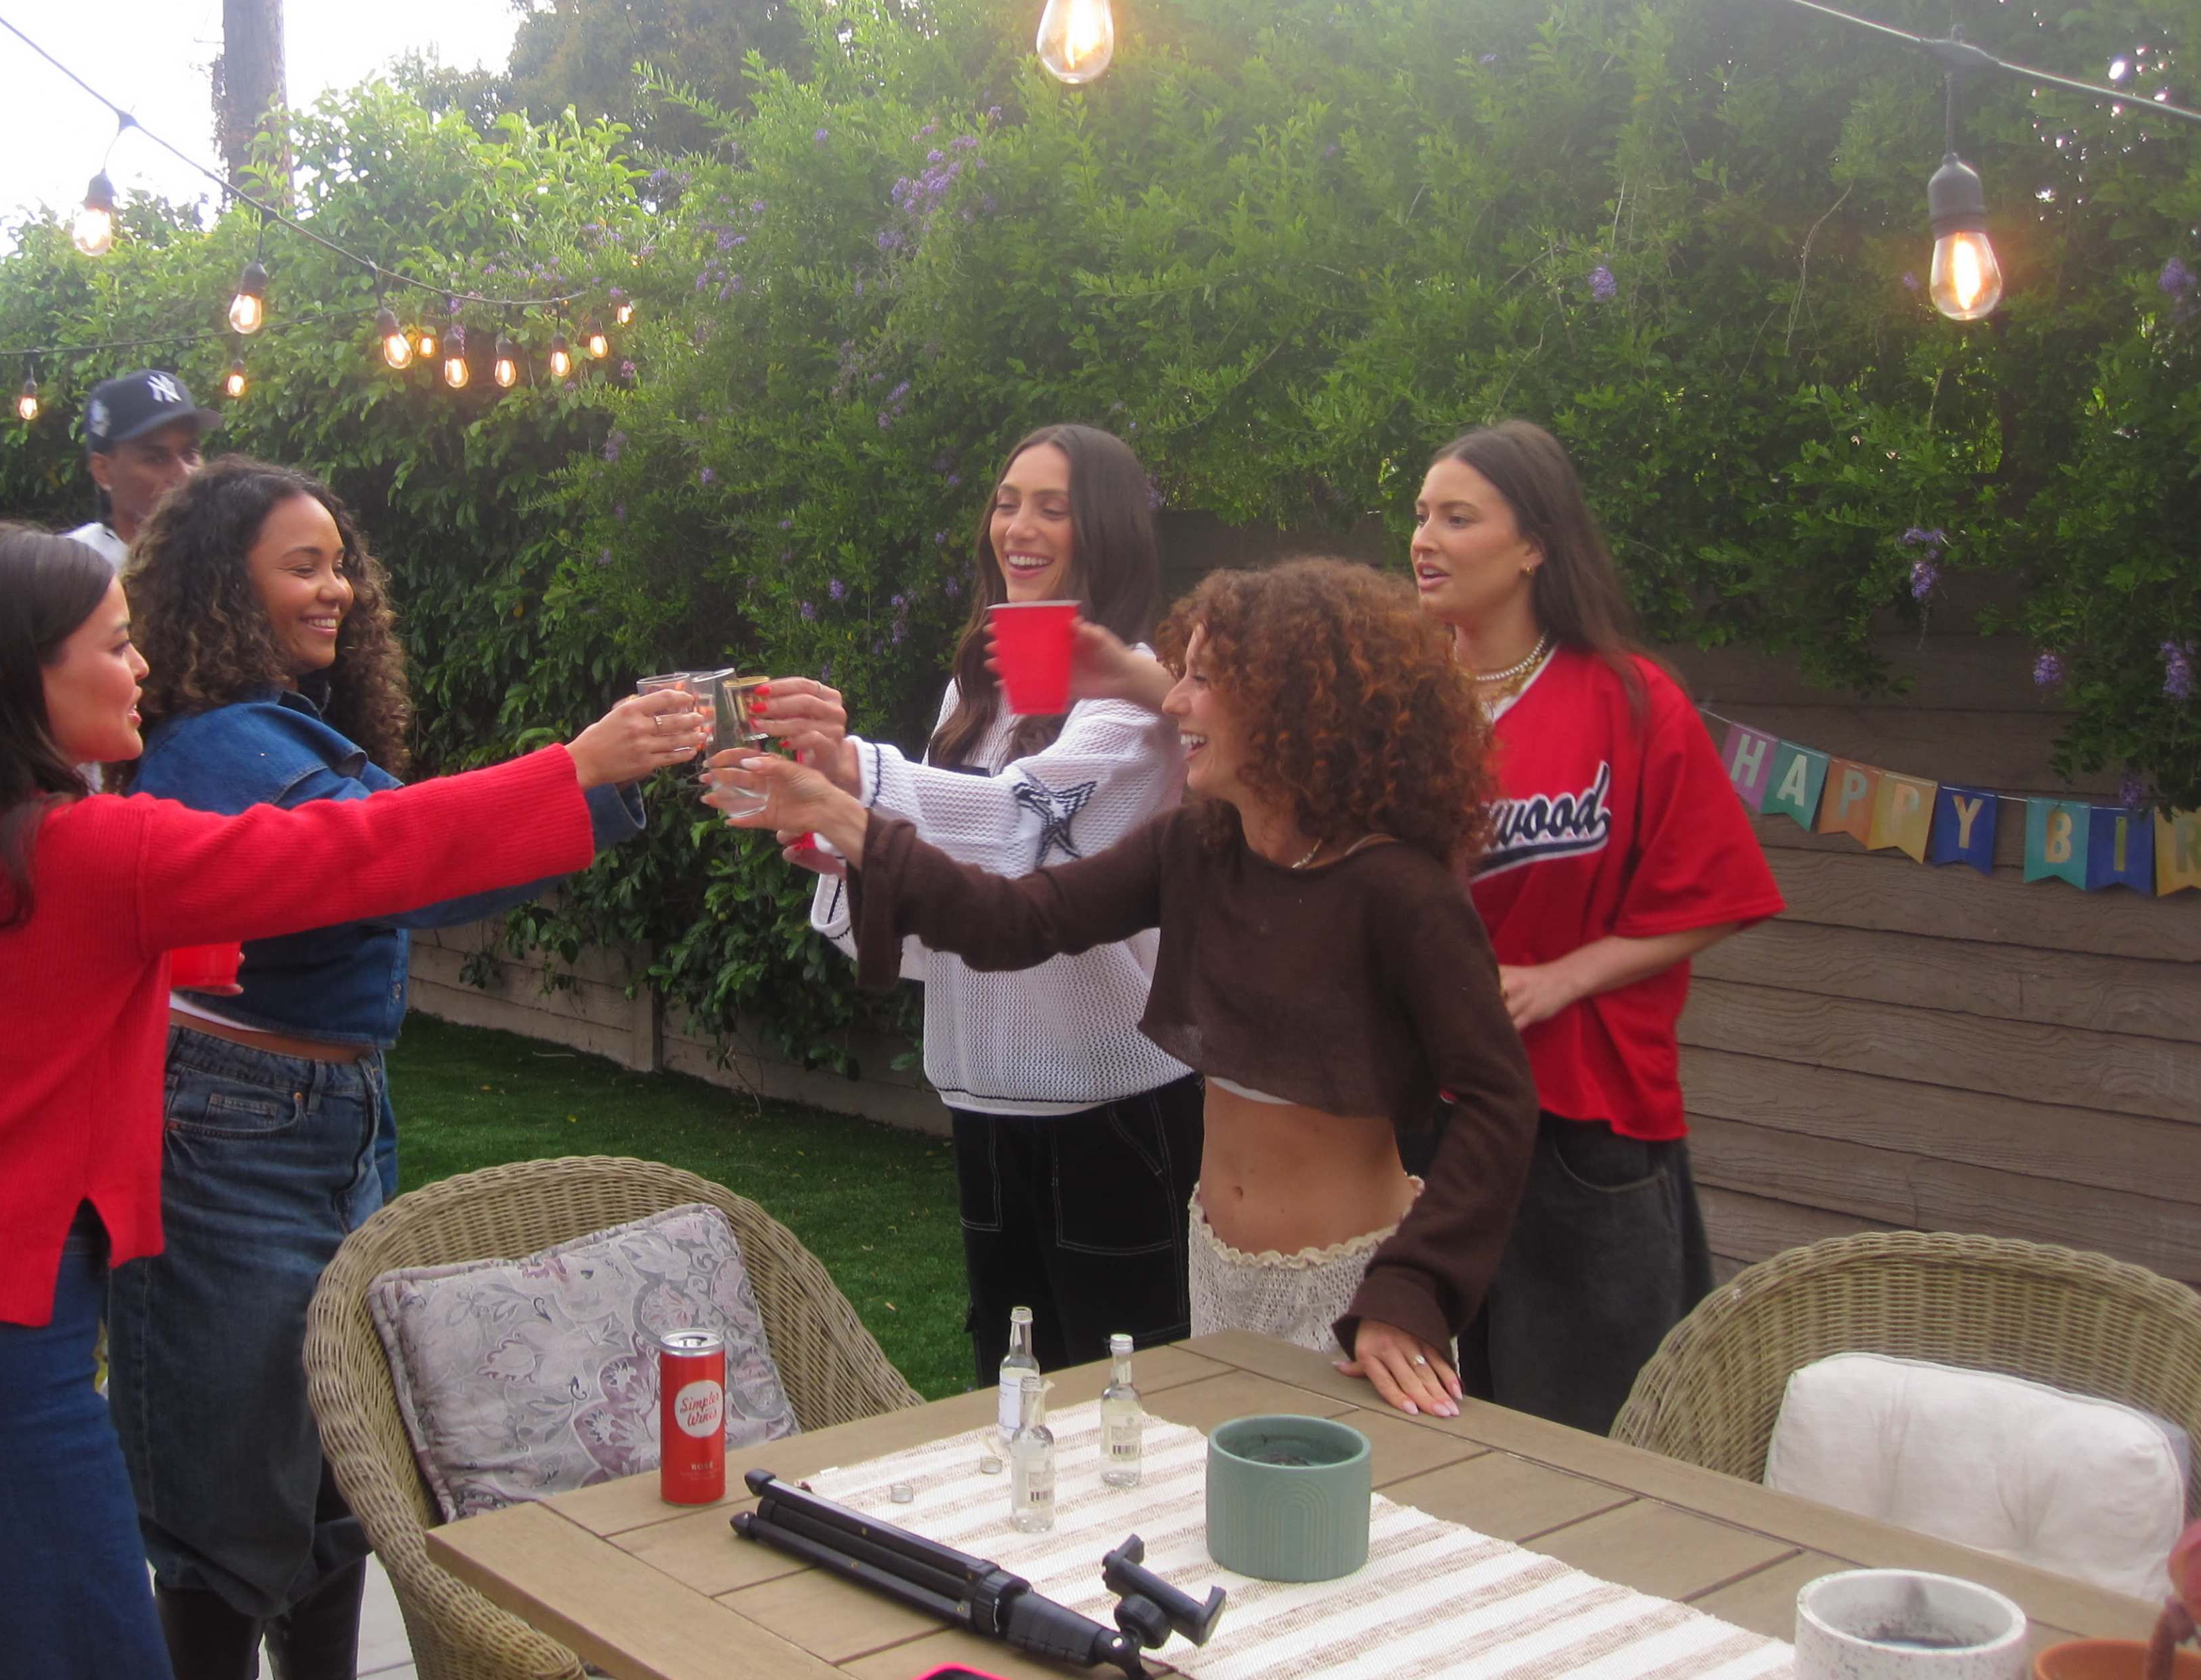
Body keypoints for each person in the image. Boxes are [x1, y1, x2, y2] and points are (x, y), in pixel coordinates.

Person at [0, 521, 702, 1680]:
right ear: (23, 680)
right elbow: (354, 852)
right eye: (114, 646)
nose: (143, 668)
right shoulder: (88, 857)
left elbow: (169, 950)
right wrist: (580, 769)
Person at [720, 559, 1538, 1419]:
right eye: (1179, 675)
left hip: (1353, 1290)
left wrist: (1412, 1293)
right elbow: (1011, 921)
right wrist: (845, 817)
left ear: (1296, 706)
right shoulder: (1194, 850)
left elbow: (1498, 1101)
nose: (1175, 703)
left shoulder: (1400, 893)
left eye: (1204, 681)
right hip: (1214, 1270)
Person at [105, 458, 648, 1678]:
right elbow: (401, 864)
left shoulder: (291, 731)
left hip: (333, 1114)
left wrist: (604, 788)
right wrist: (583, 772)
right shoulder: (221, 744)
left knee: (337, 1468)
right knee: (225, 1495)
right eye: (303, 566)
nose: (337, 589)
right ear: (222, 589)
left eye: (340, 565)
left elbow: (427, 873)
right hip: (233, 1133)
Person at [753, 425, 1197, 1386]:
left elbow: (1015, 835)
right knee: (1013, 1383)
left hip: (1113, 1103)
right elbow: (950, 879)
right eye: (1005, 501)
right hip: (984, 1094)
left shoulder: (1140, 699)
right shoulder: (976, 689)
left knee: (1128, 1395)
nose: (1018, 527)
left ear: (1105, 532)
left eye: (1051, 505)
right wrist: (840, 852)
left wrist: (859, 778)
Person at [1410, 419, 1783, 1435]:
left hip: (1582, 1118)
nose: (1425, 539)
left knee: (1582, 1427)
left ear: (1534, 544)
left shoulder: (1628, 698)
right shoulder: (1397, 700)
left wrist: (1560, 977)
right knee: (1429, 1413)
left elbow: (1714, 894)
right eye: (1420, 516)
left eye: (1457, 517)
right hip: (1420, 1110)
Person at [68, 369, 217, 568]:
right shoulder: (70, 568)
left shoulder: (231, 556)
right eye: (156, 458)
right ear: (103, 471)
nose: (184, 474)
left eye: (190, 454)